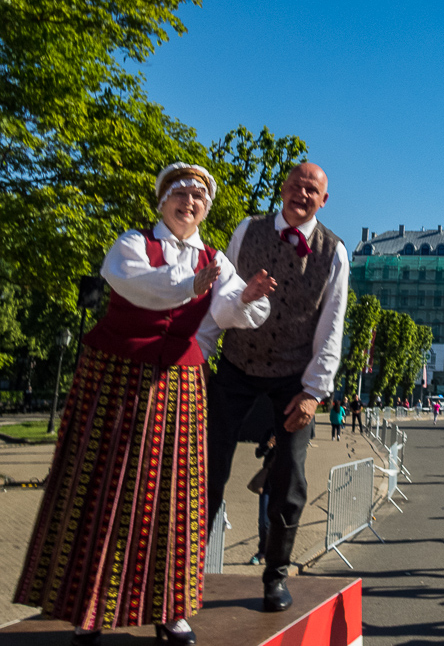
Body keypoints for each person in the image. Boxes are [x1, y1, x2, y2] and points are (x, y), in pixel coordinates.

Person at [15, 162, 276, 646]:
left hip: (179, 380)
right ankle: (87, 608)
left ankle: (171, 609)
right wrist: (189, 286)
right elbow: (136, 284)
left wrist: (248, 297)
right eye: (180, 193)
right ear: (162, 202)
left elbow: (227, 308)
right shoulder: (133, 244)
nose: (189, 201)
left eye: (199, 197)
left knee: (175, 496)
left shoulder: (215, 258)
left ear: (206, 210)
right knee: (102, 487)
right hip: (116, 375)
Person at [206, 162, 349, 614]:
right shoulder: (246, 230)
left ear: (323, 201)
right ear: (282, 189)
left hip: (292, 375)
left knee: (290, 476)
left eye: (312, 190)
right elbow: (218, 299)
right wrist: (200, 353)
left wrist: (313, 392)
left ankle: (275, 575)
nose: (301, 194)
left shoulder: (334, 252)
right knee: (206, 467)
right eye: (295, 185)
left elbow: (331, 327)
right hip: (236, 362)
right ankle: (185, 568)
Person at [250, 429, 277, 565]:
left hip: (283, 483)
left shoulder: (291, 432)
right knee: (264, 521)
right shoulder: (270, 432)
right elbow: (258, 453)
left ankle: (276, 554)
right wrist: (268, 446)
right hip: (267, 483)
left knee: (280, 521)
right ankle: (262, 552)